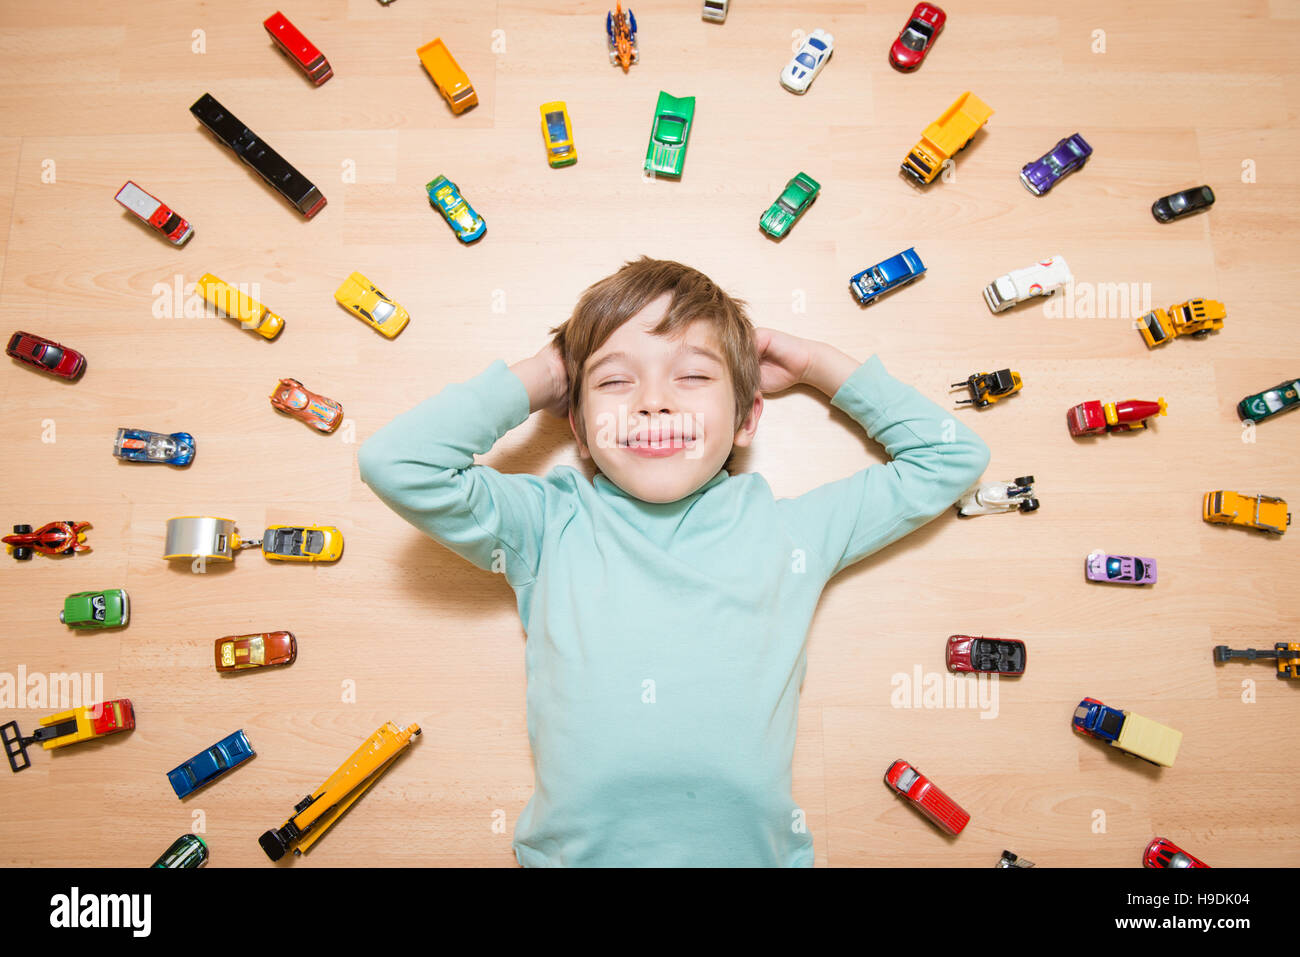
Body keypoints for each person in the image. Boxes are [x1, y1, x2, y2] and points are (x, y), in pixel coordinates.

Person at [358, 256, 991, 865]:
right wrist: (548, 375)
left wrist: (817, 364)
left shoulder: (791, 532)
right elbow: (398, 463)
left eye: (691, 376)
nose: (653, 402)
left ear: (745, 418)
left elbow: (951, 459)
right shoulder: (548, 524)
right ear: (577, 427)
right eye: (614, 381)